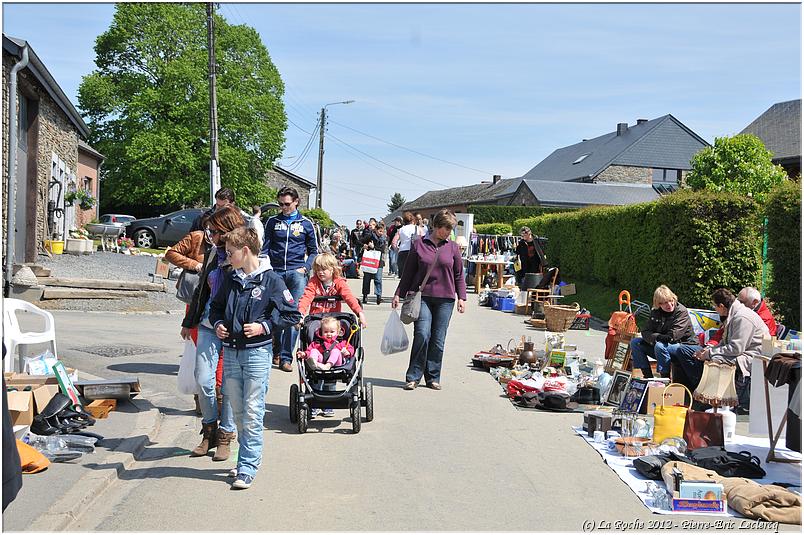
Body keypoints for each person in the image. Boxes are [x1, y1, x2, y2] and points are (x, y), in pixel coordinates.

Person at [209, 226, 301, 489]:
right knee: (237, 412)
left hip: (257, 354)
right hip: (232, 352)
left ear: (245, 250)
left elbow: (291, 314)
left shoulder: (271, 280)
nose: (227, 257)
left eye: (230, 252)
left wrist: (265, 327)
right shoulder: (230, 278)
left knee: (252, 411)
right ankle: (242, 463)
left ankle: (248, 466)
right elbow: (215, 308)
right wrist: (218, 324)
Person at [180, 206, 244, 461]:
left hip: (231, 329)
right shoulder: (211, 255)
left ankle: (225, 436)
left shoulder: (241, 257)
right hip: (207, 323)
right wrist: (189, 321)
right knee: (204, 380)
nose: (210, 235)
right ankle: (209, 430)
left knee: (227, 384)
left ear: (227, 232)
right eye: (209, 230)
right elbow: (200, 291)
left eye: (214, 231)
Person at [392, 209, 467, 391]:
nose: (448, 232)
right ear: (435, 226)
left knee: (438, 340)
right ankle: (413, 376)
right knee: (422, 335)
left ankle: (433, 376)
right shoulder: (419, 244)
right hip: (422, 297)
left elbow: (459, 274)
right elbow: (408, 273)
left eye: (450, 229)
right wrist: (398, 294)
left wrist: (461, 297)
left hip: (446, 299)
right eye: (445, 229)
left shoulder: (453, 247)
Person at [260, 186, 319, 372]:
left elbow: (314, 251)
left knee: (293, 316)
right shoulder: (272, 222)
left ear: (296, 202)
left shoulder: (306, 223)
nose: (283, 208)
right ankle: (275, 351)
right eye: (280, 204)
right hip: (275, 272)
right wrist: (265, 268)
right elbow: (265, 248)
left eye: (286, 204)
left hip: (296, 273)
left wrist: (306, 268)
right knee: (272, 313)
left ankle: (286, 358)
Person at [675, 288, 769, 397]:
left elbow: (736, 349)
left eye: (715, 306)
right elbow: (725, 342)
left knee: (715, 360)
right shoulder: (733, 315)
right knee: (686, 351)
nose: (715, 309)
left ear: (721, 306)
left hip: (752, 357)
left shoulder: (742, 317)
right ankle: (703, 391)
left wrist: (710, 354)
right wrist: (708, 350)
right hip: (740, 352)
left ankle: (714, 396)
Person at [628, 285, 700, 380]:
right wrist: (657, 337)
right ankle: (648, 377)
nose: (669, 305)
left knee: (660, 346)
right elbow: (645, 331)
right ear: (658, 304)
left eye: (671, 301)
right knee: (635, 342)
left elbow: (673, 335)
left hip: (684, 346)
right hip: (664, 345)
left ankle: (664, 379)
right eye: (665, 303)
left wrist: (657, 337)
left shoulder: (681, 311)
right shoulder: (655, 312)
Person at [298, 253, 367, 327]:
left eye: (324, 269)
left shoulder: (339, 282)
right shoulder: (313, 282)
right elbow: (306, 297)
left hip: (333, 319)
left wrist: (359, 313)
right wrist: (300, 314)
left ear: (332, 269)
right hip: (316, 318)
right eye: (318, 270)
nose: (320, 272)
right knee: (310, 329)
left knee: (345, 327)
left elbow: (349, 297)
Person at [360, 218, 387, 305]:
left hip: (379, 261)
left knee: (378, 279)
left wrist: (373, 247)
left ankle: (378, 296)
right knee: (367, 279)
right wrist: (365, 246)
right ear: (375, 230)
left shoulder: (383, 239)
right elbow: (359, 241)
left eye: (382, 231)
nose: (381, 233)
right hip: (369, 260)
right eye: (379, 231)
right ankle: (365, 295)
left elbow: (382, 250)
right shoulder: (370, 236)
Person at [392, 211, 417, 278]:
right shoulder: (417, 228)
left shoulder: (401, 229)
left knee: (403, 276)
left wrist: (396, 249)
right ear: (412, 220)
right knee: (413, 275)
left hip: (402, 252)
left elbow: (394, 241)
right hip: (414, 252)